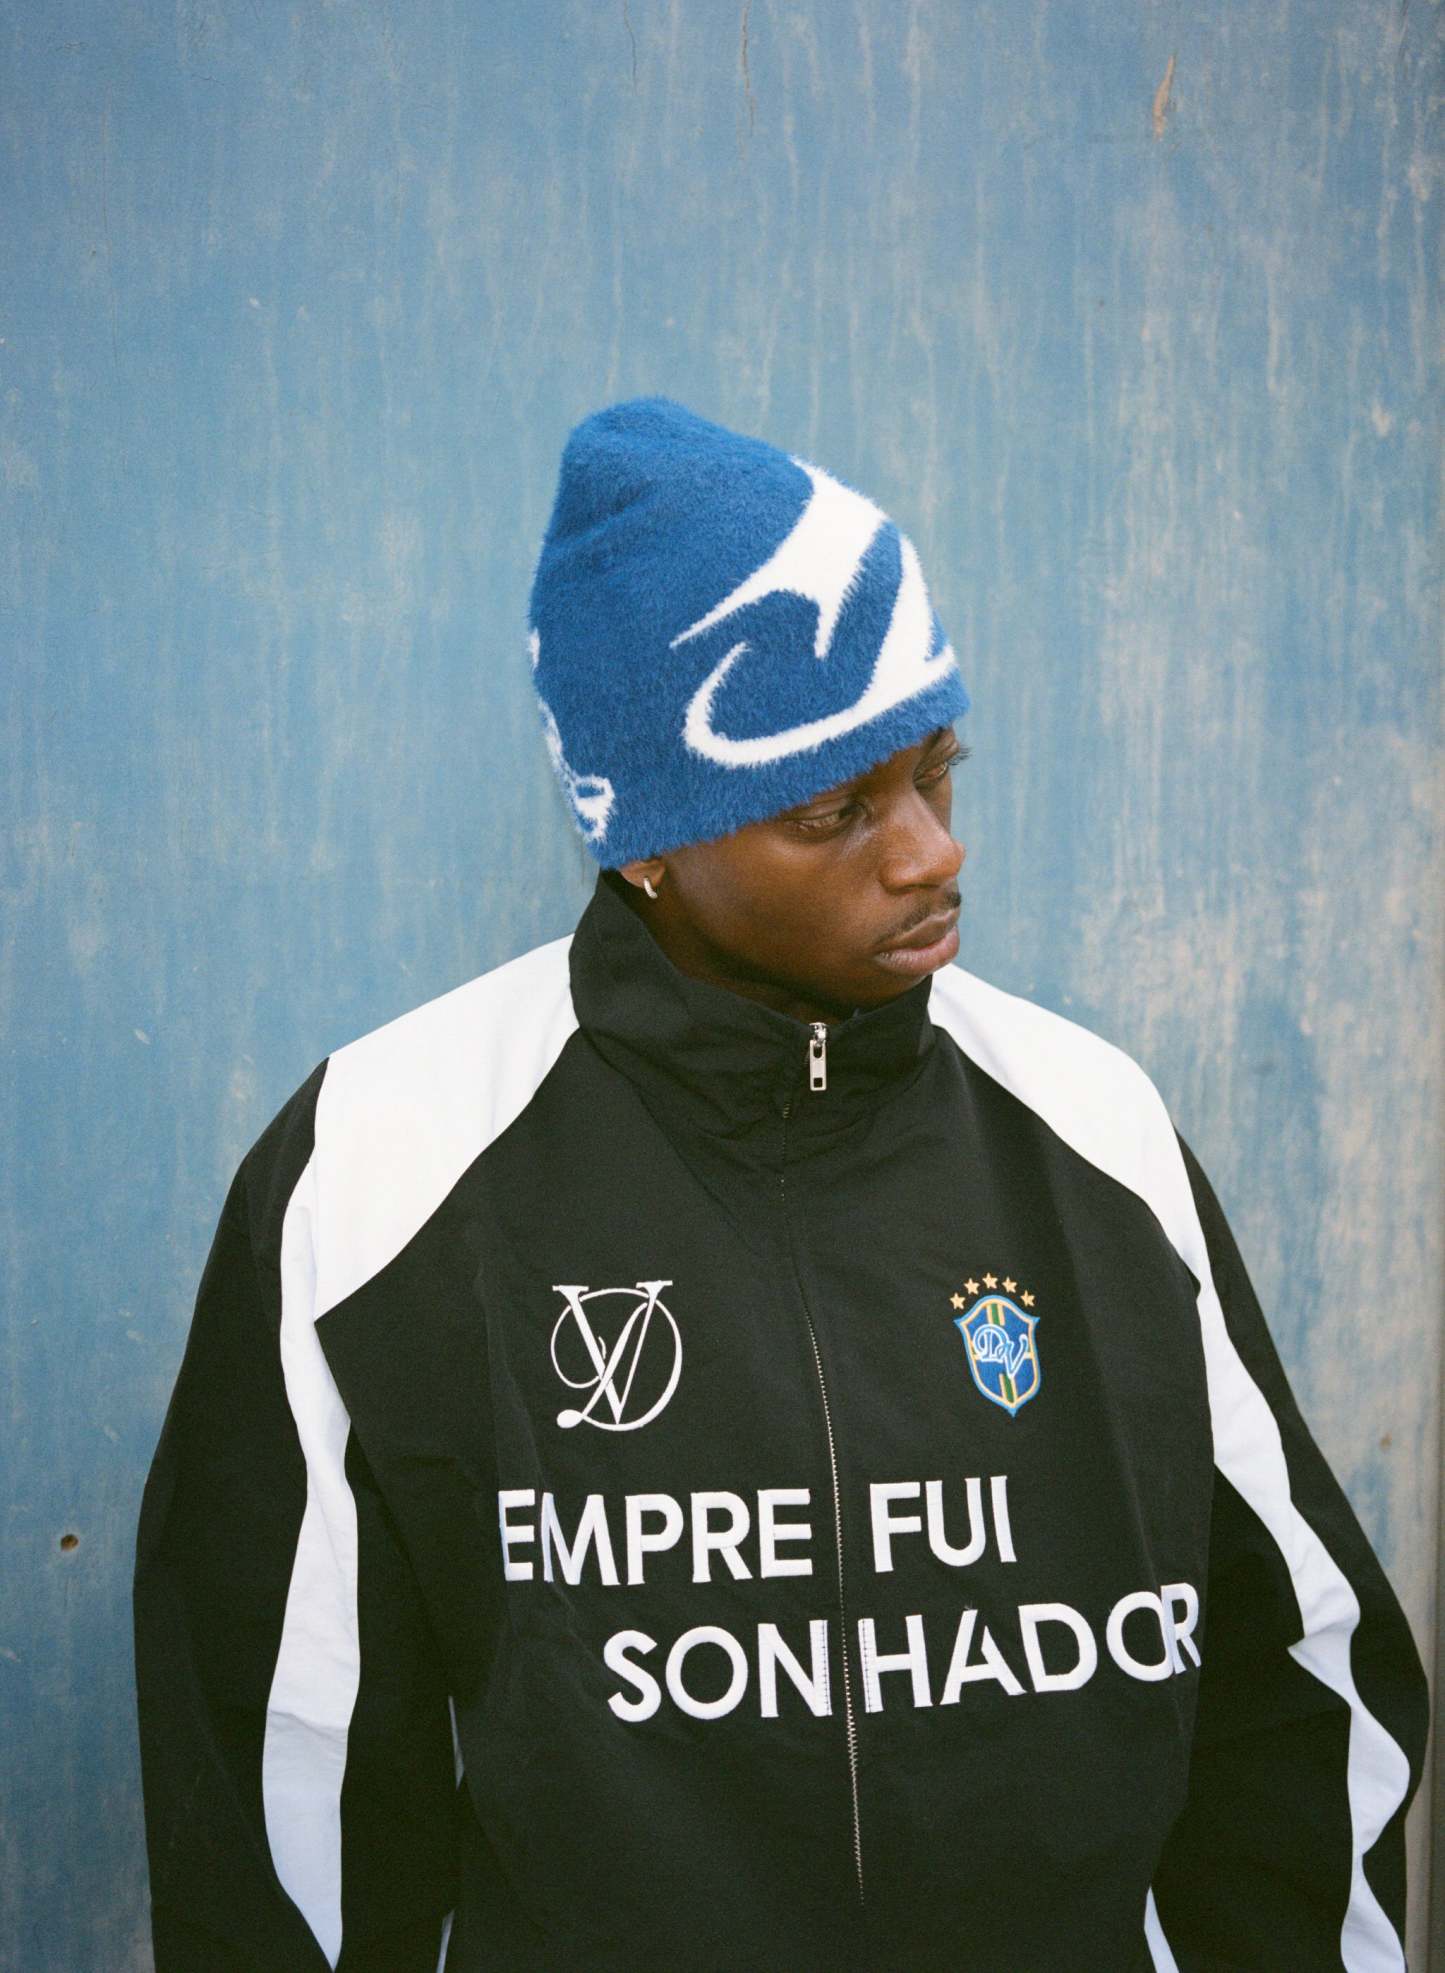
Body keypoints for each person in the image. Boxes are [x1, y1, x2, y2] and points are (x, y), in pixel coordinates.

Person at [133, 397, 1427, 1972]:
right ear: (645, 841)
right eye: (835, 810)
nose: (930, 852)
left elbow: (1296, 1681)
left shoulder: (1091, 1123)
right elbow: (288, 1775)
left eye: (935, 775)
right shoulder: (380, 1162)